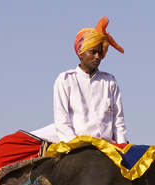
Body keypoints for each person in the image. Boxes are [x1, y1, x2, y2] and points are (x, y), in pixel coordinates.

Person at [53, 16, 127, 144]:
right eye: (93, 52)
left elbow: (118, 122)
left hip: (108, 146)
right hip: (78, 146)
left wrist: (123, 149)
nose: (97, 57)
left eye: (99, 52)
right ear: (81, 53)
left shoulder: (110, 82)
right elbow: (62, 122)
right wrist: (75, 147)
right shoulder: (65, 80)